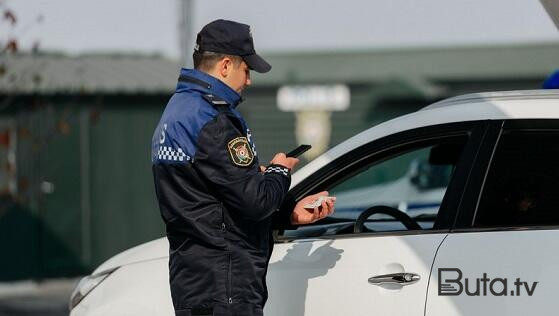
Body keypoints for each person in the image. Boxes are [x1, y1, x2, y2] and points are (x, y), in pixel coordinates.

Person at [151, 19, 335, 316]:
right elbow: (255, 202)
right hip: (226, 285)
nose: (248, 80)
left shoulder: (178, 110)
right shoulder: (212, 119)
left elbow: (218, 193)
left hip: (195, 279)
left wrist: (289, 210)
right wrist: (278, 170)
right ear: (225, 66)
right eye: (246, 70)